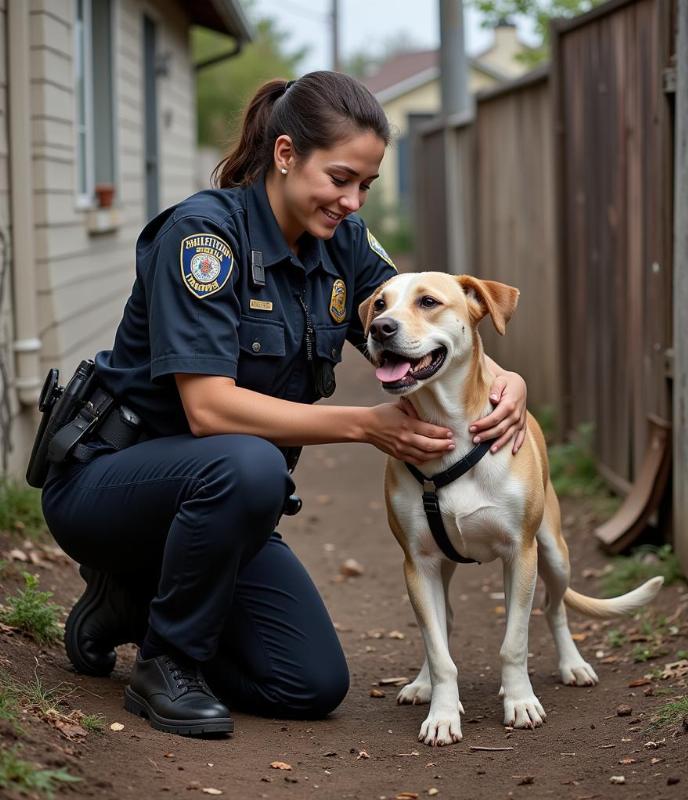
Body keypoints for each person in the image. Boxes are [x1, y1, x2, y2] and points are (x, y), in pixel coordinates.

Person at [40, 71, 529, 737]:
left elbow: (425, 324)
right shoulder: (205, 238)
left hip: (221, 507)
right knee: (249, 464)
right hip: (111, 484)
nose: (352, 200)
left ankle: (135, 603)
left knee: (308, 683)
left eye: (366, 185)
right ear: (286, 154)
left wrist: (507, 381)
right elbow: (209, 410)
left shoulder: (343, 244)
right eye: (340, 178)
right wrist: (365, 424)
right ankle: (166, 662)